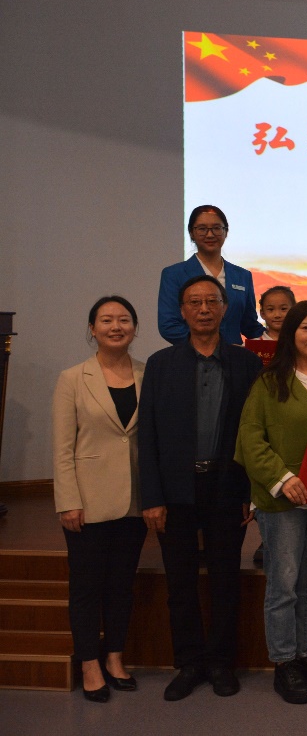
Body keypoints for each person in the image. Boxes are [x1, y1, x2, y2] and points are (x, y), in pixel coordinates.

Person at [138, 275, 262, 701]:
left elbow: (253, 433)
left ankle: (221, 662)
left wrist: (249, 492)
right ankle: (189, 662)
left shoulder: (246, 364)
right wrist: (152, 497)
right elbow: (148, 436)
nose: (204, 309)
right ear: (182, 311)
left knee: (226, 579)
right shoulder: (160, 364)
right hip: (176, 488)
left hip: (227, 486)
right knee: (180, 581)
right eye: (195, 302)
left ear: (225, 309)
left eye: (212, 301)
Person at [235, 301, 307, 705]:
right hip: (283, 498)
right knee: (283, 583)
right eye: (306, 328)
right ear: (290, 333)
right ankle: (284, 661)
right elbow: (250, 438)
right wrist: (283, 479)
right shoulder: (269, 382)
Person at [51, 296, 148, 703]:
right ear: (92, 329)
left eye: (124, 319)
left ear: (134, 328)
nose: (115, 326)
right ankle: (89, 663)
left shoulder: (148, 374)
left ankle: (114, 658)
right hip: (87, 501)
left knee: (122, 584)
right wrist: (67, 500)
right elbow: (62, 448)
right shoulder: (73, 378)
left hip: (136, 499)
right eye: (106, 320)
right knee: (87, 586)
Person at [157, 205, 264, 346]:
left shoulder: (242, 276)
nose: (210, 235)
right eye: (202, 229)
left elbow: (249, 325)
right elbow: (169, 326)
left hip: (234, 356)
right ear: (191, 233)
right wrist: (208, 345)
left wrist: (279, 335)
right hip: (192, 356)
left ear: (226, 232)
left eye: (217, 228)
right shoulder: (174, 274)